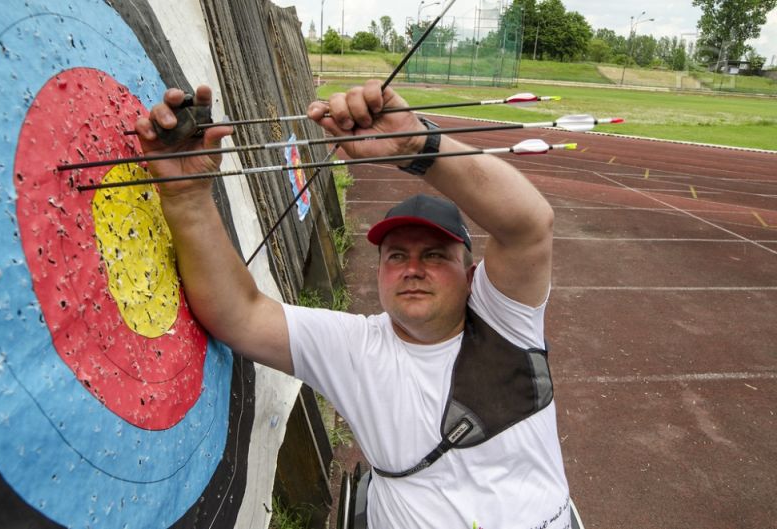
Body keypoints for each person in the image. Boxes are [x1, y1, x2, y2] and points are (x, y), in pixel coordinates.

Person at [135, 79, 570, 529]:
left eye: (436, 255)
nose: (412, 268)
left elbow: (529, 226)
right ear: (380, 272)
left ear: (472, 275)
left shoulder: (505, 323)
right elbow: (240, 315)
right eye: (396, 255)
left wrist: (419, 143)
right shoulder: (356, 346)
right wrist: (186, 196)